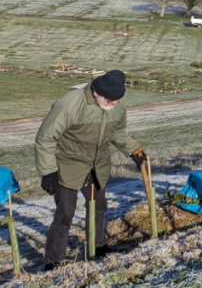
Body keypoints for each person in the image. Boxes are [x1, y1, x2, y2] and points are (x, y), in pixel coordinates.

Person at [35, 70, 147, 269]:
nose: (115, 104)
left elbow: (118, 132)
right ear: (99, 94)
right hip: (67, 165)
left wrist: (133, 150)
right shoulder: (70, 104)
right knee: (65, 213)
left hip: (97, 165)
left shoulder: (116, 106)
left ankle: (99, 246)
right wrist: (48, 172)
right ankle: (54, 261)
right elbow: (45, 138)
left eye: (117, 100)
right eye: (112, 100)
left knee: (99, 207)